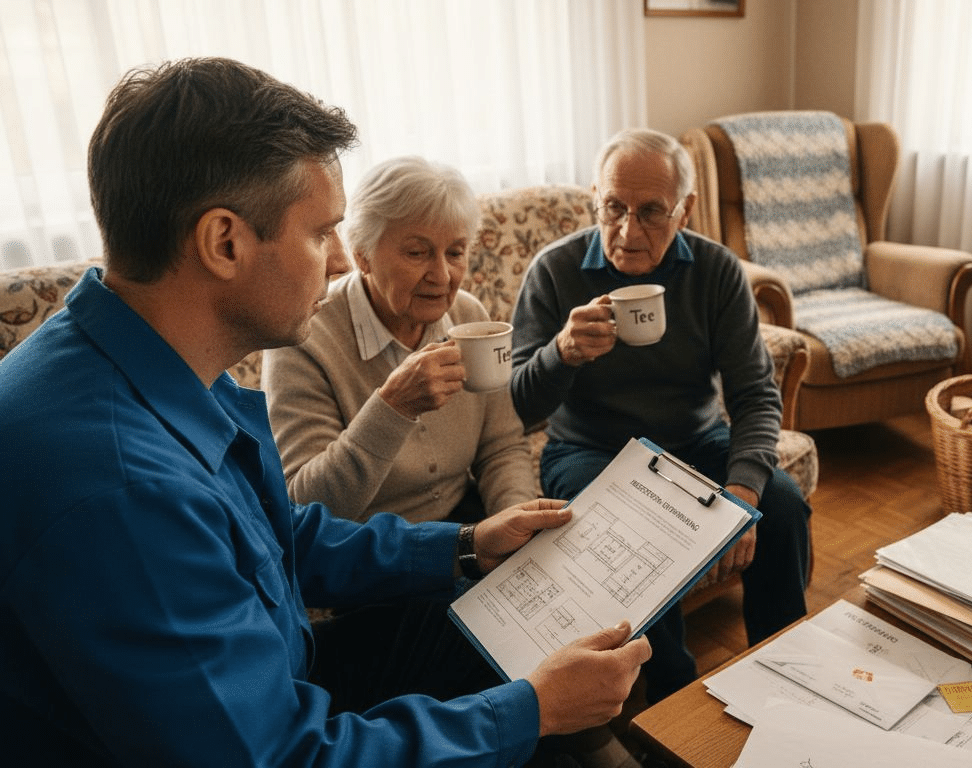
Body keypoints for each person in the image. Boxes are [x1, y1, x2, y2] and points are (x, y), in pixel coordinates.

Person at [0, 57, 650, 766]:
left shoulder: (147, 355)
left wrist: (463, 545)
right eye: (320, 234)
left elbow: (277, 534)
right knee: (535, 709)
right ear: (225, 242)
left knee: (499, 637)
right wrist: (531, 712)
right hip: (264, 727)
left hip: (271, 671)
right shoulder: (124, 489)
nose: (341, 262)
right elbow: (279, 756)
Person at [511, 128, 811, 704]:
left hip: (696, 442)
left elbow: (755, 394)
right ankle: (673, 698)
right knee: (634, 532)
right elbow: (517, 413)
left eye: (651, 212)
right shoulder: (555, 271)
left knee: (782, 505)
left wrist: (743, 491)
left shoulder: (716, 272)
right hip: (590, 451)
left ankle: (785, 675)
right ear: (593, 198)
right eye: (614, 208)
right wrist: (562, 354)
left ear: (685, 209)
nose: (628, 230)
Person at [263, 155, 536, 525]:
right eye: (417, 252)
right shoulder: (304, 337)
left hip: (467, 527)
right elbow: (307, 506)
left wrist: (516, 524)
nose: (441, 275)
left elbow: (501, 447)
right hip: (369, 549)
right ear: (363, 256)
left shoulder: (469, 319)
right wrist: (393, 408)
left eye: (455, 252)